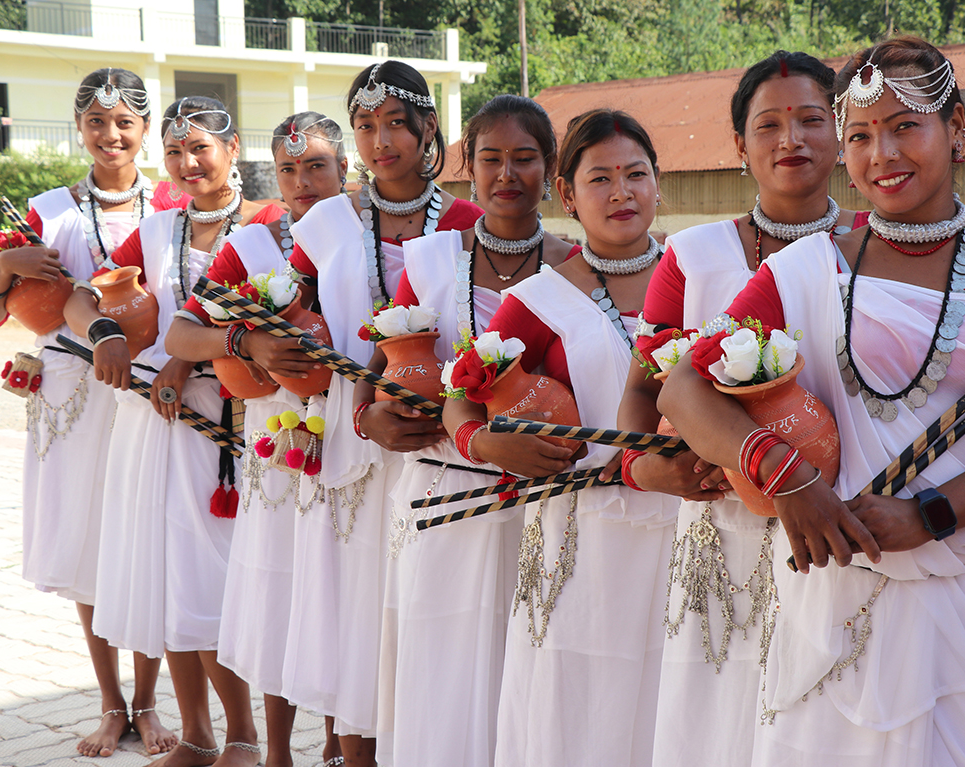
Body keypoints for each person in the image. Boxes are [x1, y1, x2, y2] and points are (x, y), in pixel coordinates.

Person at [658, 36, 965, 766]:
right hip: (831, 592)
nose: (880, 154)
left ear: (957, 130)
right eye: (858, 135)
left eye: (904, 127)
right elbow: (684, 386)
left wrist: (932, 514)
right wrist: (784, 475)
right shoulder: (808, 265)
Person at [620, 51, 865, 767]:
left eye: (812, 119)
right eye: (770, 124)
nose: (791, 139)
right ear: (739, 146)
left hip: (837, 530)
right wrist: (647, 466)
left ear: (841, 131)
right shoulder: (694, 256)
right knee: (716, 728)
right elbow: (642, 392)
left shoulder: (874, 250)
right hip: (721, 540)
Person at [442, 108, 680, 767]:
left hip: (692, 533)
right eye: (599, 178)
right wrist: (484, 446)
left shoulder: (701, 279)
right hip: (587, 541)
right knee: (584, 711)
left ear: (659, 183)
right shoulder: (542, 298)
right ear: (568, 193)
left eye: (635, 174)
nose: (621, 192)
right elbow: (459, 397)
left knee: (681, 701)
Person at [64, 95, 284, 767]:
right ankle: (196, 734)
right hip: (153, 426)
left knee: (219, 579)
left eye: (201, 148)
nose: (188, 163)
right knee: (166, 575)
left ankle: (245, 737)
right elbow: (80, 293)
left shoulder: (269, 226)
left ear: (232, 147)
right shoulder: (157, 231)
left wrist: (187, 355)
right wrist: (101, 330)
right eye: (175, 152)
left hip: (234, 426)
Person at [0, 67, 176, 758]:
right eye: (96, 121)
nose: (110, 134)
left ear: (146, 130)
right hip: (69, 390)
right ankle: (112, 704)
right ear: (79, 126)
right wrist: (2, 272)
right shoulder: (47, 207)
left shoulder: (173, 208)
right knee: (92, 546)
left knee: (142, 537)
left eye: (124, 121)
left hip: (147, 388)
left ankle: (151, 704)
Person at [285, 60, 481, 767]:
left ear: (431, 128)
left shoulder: (470, 221)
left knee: (422, 613)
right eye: (365, 125)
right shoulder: (326, 221)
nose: (379, 140)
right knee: (354, 610)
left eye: (396, 122)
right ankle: (350, 754)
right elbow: (283, 312)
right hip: (349, 440)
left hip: (443, 446)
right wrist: (263, 342)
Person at [376, 94, 572, 767]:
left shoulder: (574, 264)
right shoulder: (429, 262)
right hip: (441, 499)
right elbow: (383, 372)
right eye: (491, 159)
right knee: (442, 669)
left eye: (525, 158)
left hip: (541, 502)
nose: (507, 174)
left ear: (550, 170)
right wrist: (377, 416)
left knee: (526, 669)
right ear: (467, 165)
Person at [164, 112, 348, 767]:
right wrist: (244, 340)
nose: (302, 180)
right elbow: (182, 336)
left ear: (345, 171)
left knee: (342, 593)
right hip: (277, 444)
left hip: (356, 445)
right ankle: (274, 752)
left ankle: (339, 741)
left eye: (317, 165)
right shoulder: (252, 243)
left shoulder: (371, 238)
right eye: (289, 168)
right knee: (279, 592)